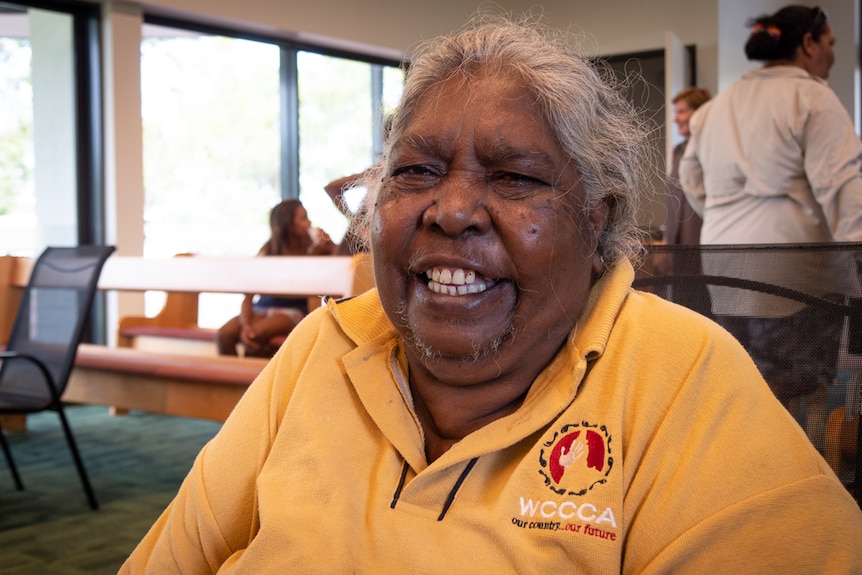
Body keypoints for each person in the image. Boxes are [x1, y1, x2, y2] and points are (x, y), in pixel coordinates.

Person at [122, 13, 862, 573]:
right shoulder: (327, 342)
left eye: (515, 177)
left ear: (597, 220)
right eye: (416, 170)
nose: (451, 209)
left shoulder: (684, 374)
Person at [678, 5, 862, 413]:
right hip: (796, 275)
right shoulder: (812, 98)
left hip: (725, 271)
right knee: (798, 394)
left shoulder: (713, 110)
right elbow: (845, 189)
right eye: (830, 43)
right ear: (809, 44)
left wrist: (730, 217)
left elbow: (690, 180)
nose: (833, 54)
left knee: (741, 383)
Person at [216, 198, 335, 357]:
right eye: (303, 218)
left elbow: (338, 260)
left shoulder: (312, 249)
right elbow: (249, 294)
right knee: (225, 334)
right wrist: (246, 323)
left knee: (256, 334)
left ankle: (256, 380)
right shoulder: (268, 251)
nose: (309, 222)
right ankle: (232, 380)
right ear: (289, 225)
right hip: (261, 308)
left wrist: (328, 243)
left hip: (293, 310)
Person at [663, 87, 710, 246]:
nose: (676, 119)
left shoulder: (710, 150)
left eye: (682, 112)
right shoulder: (676, 152)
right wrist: (666, 238)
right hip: (676, 241)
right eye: (675, 112)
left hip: (702, 239)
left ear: (699, 113)